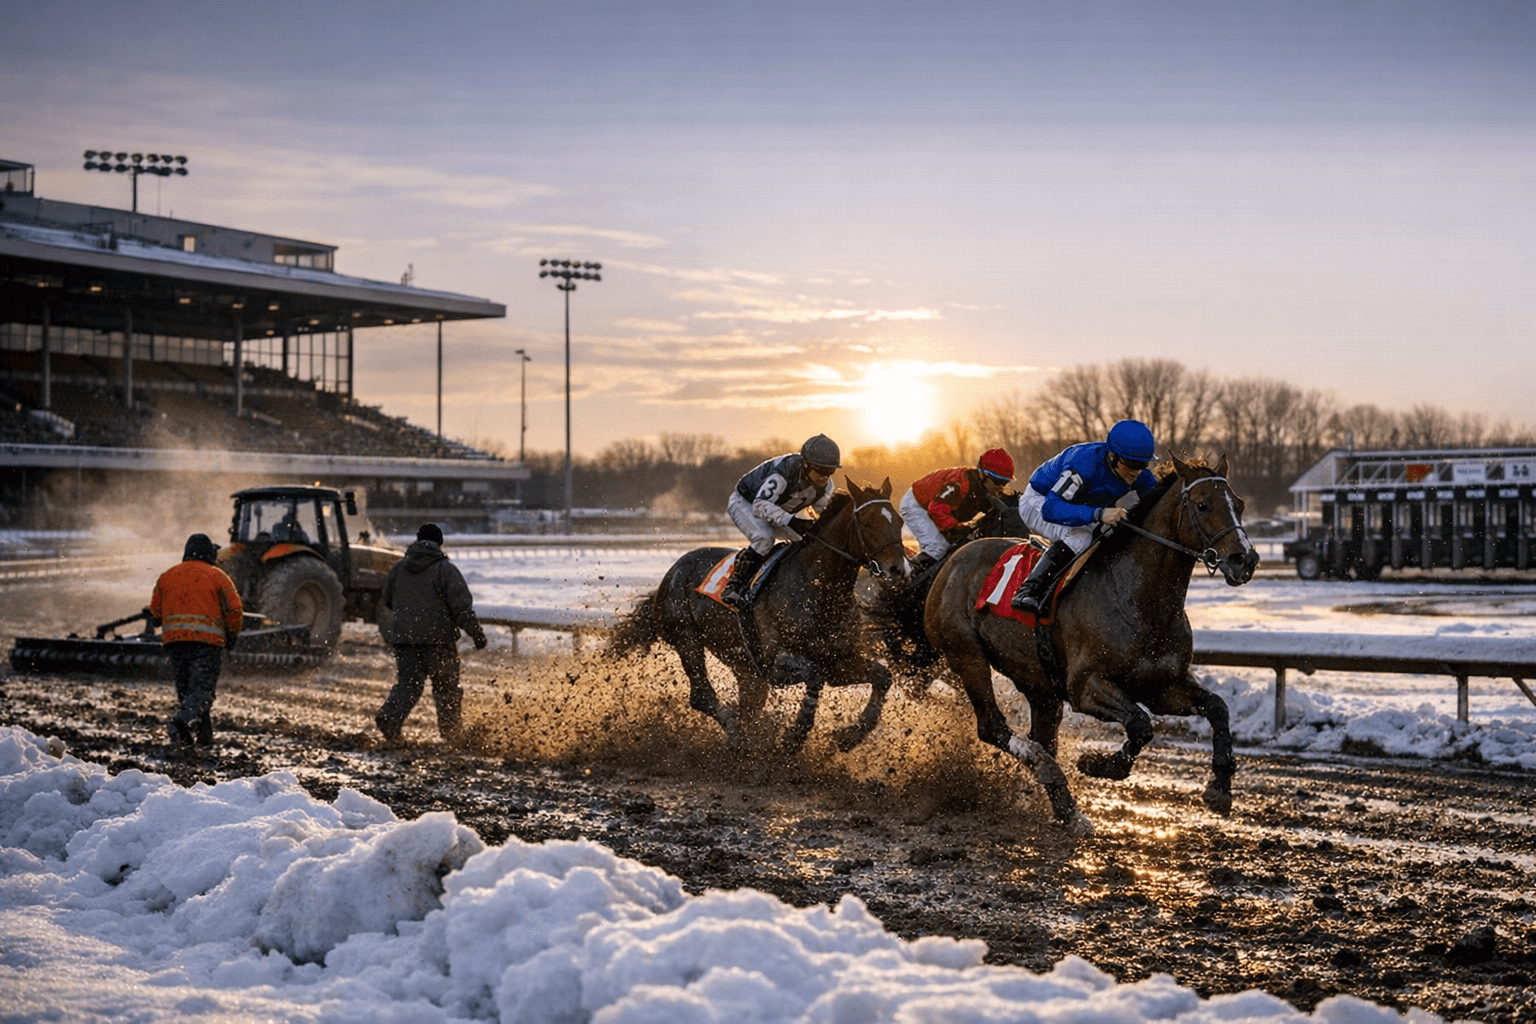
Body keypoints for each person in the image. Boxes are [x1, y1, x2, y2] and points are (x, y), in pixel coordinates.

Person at [1010, 419, 1158, 616]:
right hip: (1039, 501)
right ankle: (1028, 590)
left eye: (1142, 464)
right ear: (1112, 456)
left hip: (1077, 506)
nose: (1136, 471)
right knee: (1080, 539)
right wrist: (1099, 514)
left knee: (1114, 533)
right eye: (1130, 464)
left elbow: (1158, 504)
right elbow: (1051, 508)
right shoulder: (1083, 465)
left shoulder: (1138, 473)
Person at [374, 523, 488, 745]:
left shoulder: (398, 568)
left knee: (409, 685)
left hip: (405, 640)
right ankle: (451, 733)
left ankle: (389, 719)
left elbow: (388, 600)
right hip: (438, 640)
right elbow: (460, 608)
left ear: (417, 541)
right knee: (446, 688)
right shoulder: (445, 569)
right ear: (440, 543)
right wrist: (476, 634)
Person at [720, 433, 842, 609]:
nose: (825, 477)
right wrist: (791, 520)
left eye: (830, 471)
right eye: (821, 470)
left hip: (776, 509)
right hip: (746, 503)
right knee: (764, 537)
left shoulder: (826, 486)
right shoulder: (784, 473)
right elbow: (760, 506)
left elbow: (823, 514)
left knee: (807, 541)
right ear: (806, 465)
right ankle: (734, 586)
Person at [150, 533, 244, 751]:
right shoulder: (219, 576)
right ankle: (180, 722)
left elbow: (155, 613)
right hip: (207, 644)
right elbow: (234, 610)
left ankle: (202, 740)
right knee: (202, 692)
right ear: (209, 553)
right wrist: (231, 637)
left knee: (187, 693)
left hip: (175, 644)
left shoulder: (167, 576)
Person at [900, 448, 1015, 571]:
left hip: (936, 508)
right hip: (916, 504)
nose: (1001, 487)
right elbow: (936, 510)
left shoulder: (984, 489)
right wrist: (956, 529)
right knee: (938, 548)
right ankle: (907, 578)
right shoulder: (959, 485)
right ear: (983, 474)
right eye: (998, 481)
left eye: (1005, 482)